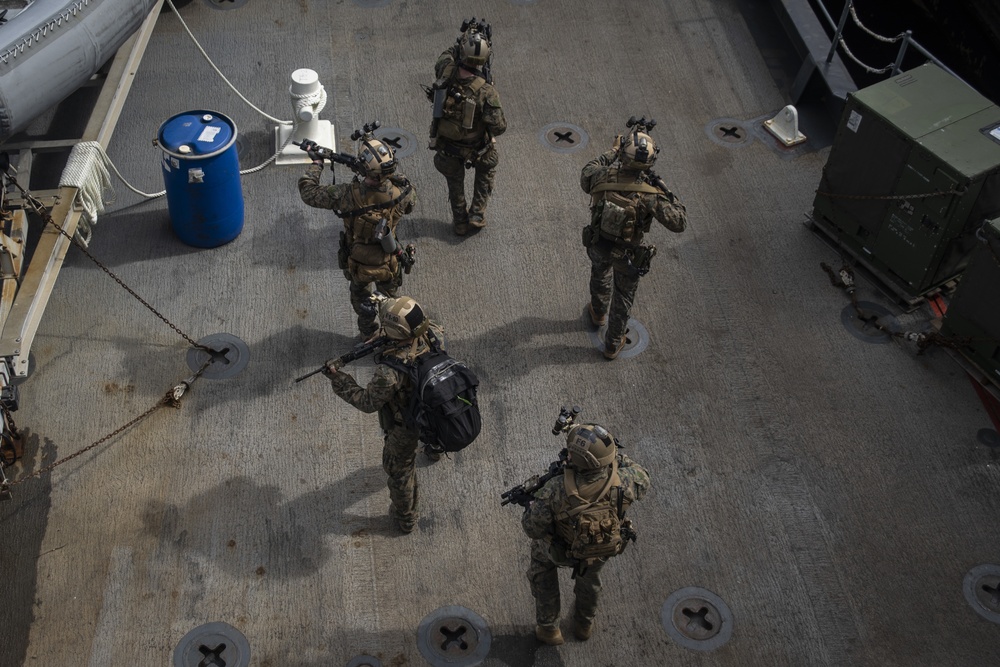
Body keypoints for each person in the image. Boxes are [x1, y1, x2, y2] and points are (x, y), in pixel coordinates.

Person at [322, 296, 444, 534]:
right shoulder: (436, 333)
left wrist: (339, 379)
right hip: (438, 411)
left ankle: (406, 518)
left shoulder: (389, 374)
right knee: (432, 436)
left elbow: (367, 402)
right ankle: (435, 450)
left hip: (406, 425)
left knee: (400, 472)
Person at [521, 423, 650, 644]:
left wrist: (531, 506)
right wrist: (614, 458)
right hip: (599, 545)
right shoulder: (625, 480)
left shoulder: (555, 489)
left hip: (559, 548)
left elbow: (532, 529)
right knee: (590, 582)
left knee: (542, 572)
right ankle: (584, 625)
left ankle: (549, 629)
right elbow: (643, 475)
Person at [580, 119, 687, 359]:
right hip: (627, 254)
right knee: (623, 296)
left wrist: (613, 151)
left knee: (599, 275)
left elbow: (586, 172)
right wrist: (666, 190)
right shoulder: (650, 195)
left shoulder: (601, 176)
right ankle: (613, 343)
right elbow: (679, 223)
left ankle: (598, 312)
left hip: (598, 243)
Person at [298, 132, 417, 337]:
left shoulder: (346, 195)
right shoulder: (404, 192)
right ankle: (392, 334)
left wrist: (317, 163)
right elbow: (409, 205)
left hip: (358, 261)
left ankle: (368, 334)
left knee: (361, 301)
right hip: (389, 258)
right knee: (390, 301)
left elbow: (308, 192)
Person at [428, 20, 507, 236]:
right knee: (487, 168)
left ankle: (460, 222)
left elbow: (446, 53)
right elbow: (499, 127)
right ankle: (477, 214)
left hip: (448, 147)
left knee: (455, 184)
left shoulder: (445, 70)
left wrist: (463, 41)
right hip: (478, 147)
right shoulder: (486, 92)